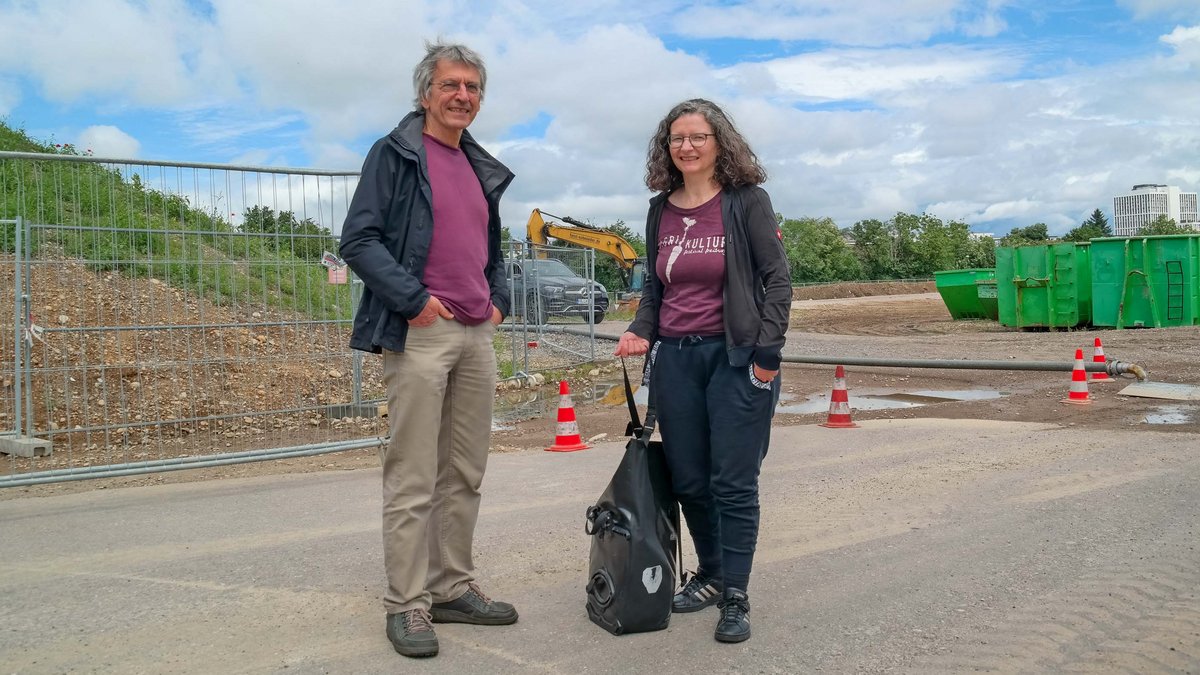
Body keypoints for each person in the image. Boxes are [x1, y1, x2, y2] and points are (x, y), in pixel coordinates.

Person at [339, 41, 517, 660]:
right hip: (422, 330)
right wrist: (414, 300)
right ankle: (407, 604)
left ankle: (451, 588)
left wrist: (498, 301)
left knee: (464, 471)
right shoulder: (394, 155)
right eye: (451, 85)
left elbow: (490, 250)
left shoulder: (478, 165)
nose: (462, 95)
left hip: (476, 332)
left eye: (472, 87)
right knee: (414, 475)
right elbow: (358, 240)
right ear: (425, 93)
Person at [613, 98, 791, 644]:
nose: (685, 147)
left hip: (735, 358)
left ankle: (735, 594)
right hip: (677, 362)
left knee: (733, 483)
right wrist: (641, 329)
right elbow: (654, 288)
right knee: (690, 480)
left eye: (697, 137)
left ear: (720, 144)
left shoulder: (746, 203)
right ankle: (710, 576)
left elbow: (778, 282)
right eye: (676, 138)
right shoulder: (659, 208)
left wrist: (766, 359)